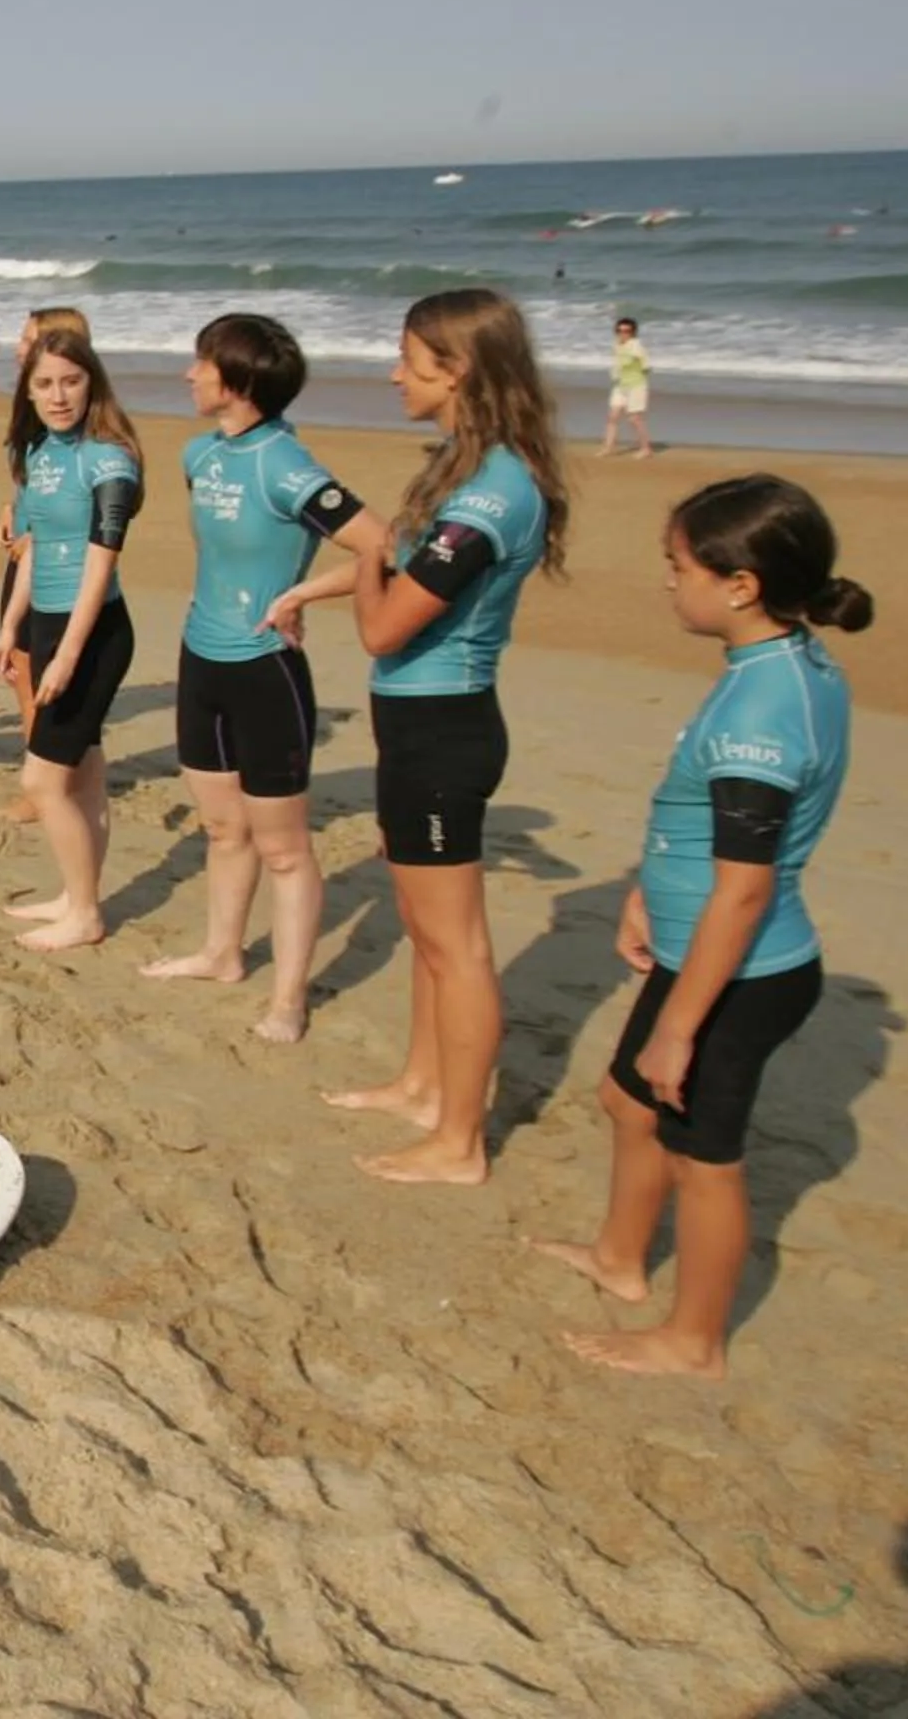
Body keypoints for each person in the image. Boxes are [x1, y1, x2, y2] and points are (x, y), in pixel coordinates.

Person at [532, 476, 866, 1376]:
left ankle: (695, 1340)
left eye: (676, 566)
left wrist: (681, 1026)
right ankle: (619, 1258)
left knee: (703, 1155)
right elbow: (699, 830)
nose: (667, 582)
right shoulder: (777, 662)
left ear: (740, 584)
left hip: (744, 973)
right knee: (626, 1100)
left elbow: (747, 890)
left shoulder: (766, 714)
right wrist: (648, 891)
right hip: (696, 946)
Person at [320, 288, 571, 1184]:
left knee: (455, 943)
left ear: (457, 369)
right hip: (417, 725)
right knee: (428, 933)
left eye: (409, 360)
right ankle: (423, 1084)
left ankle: (460, 1140)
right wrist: (357, 570)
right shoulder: (470, 471)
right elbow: (391, 569)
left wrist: (358, 572)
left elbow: (386, 627)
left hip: (443, 729)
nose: (394, 374)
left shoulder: (491, 497)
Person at [144, 314, 385, 1040]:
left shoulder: (285, 465)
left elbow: (387, 546)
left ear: (239, 380)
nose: (189, 374)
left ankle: (289, 998)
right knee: (222, 829)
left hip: (264, 670)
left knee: (284, 848)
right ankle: (222, 953)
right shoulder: (198, 454)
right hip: (199, 658)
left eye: (202, 363)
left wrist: (302, 593)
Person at [0, 325, 142, 952]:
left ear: (92, 384)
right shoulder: (37, 457)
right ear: (28, 390)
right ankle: (77, 895)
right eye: (45, 384)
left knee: (41, 783)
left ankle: (84, 914)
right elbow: (34, 550)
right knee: (85, 776)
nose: (59, 397)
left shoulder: (108, 459)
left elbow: (101, 560)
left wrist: (69, 656)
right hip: (49, 622)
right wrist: (10, 626)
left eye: (72, 382)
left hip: (95, 630)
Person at [0, 306, 93, 819]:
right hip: (25, 552)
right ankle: (42, 770)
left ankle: (46, 782)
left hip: (54, 566)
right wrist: (15, 509)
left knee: (43, 675)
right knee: (21, 669)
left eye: (27, 339)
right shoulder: (33, 410)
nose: (17, 348)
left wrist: (38, 537)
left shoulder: (82, 429)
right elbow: (34, 480)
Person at [603, 316, 654, 460]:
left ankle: (646, 449)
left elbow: (647, 366)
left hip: (636, 386)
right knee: (612, 417)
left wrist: (636, 378)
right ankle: (608, 447)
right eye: (619, 331)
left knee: (635, 419)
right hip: (620, 385)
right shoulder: (617, 345)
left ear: (633, 332)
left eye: (627, 331)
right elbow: (616, 363)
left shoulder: (637, 347)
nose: (623, 334)